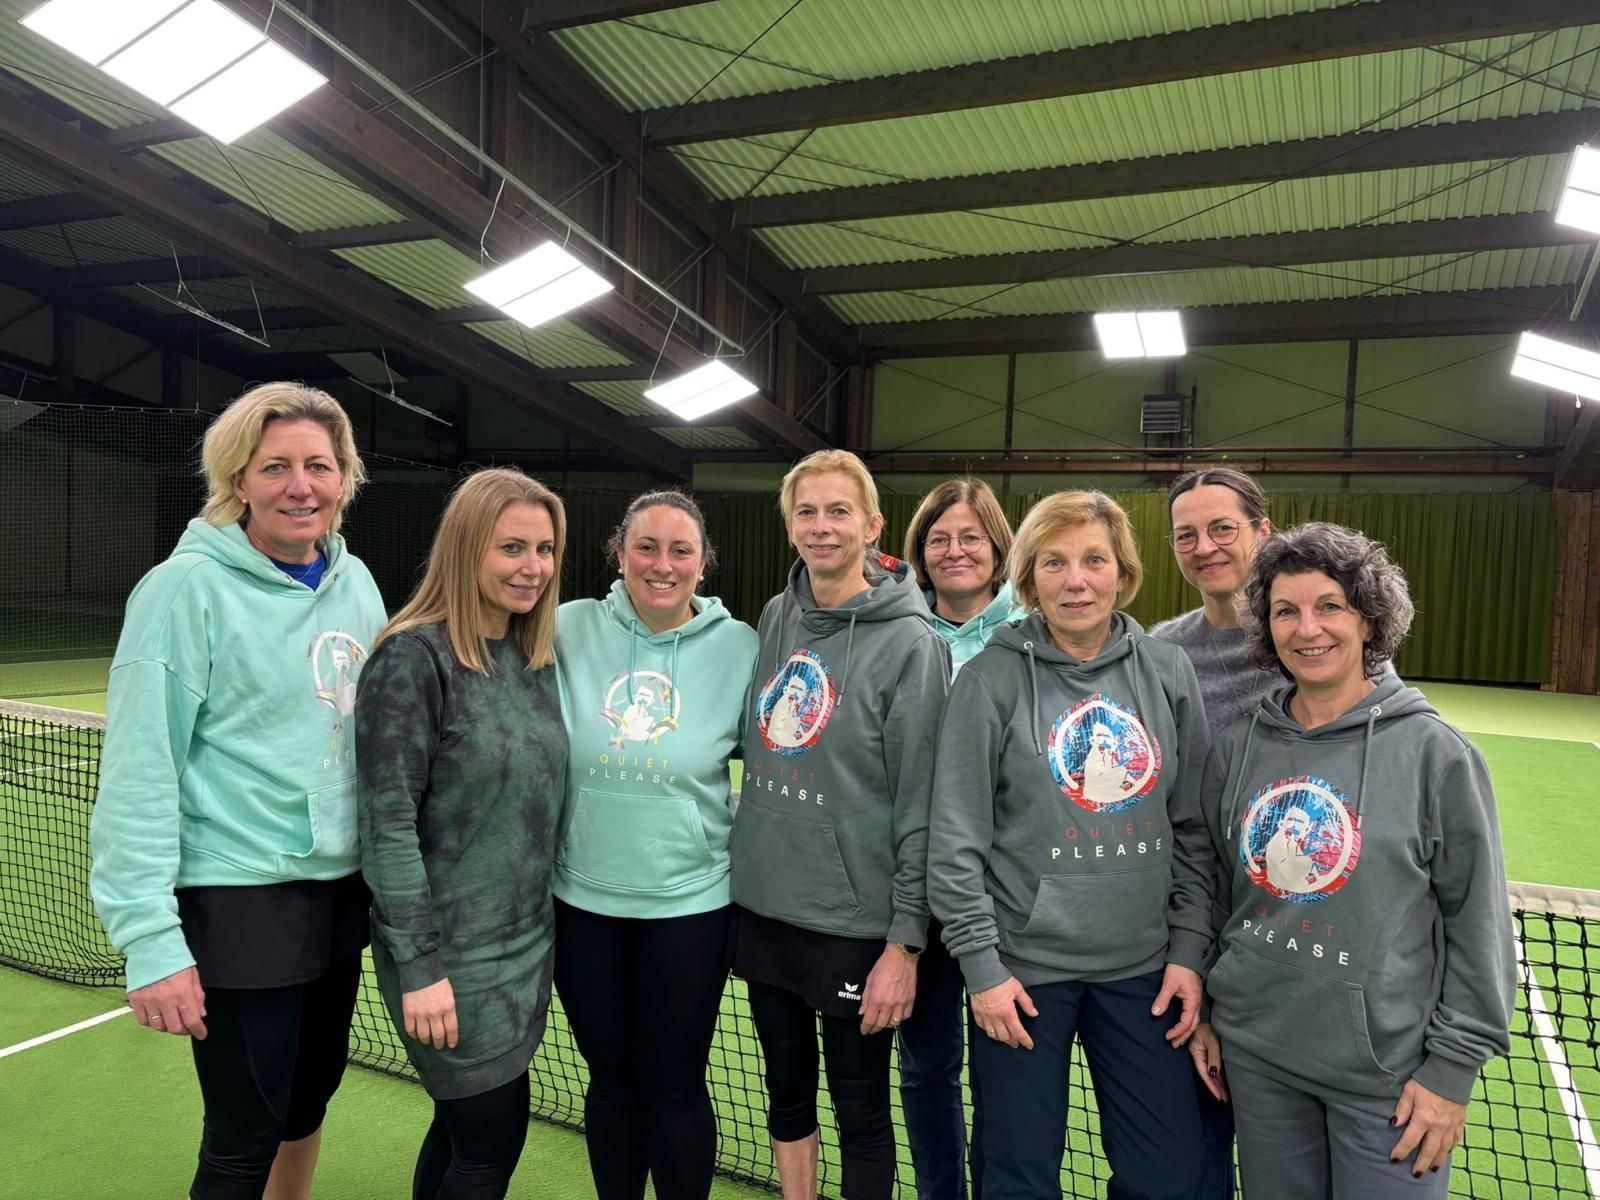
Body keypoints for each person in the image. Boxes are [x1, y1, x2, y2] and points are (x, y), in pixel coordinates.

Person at [89, 382, 386, 1200]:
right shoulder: (182, 590)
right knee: (243, 1133)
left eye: (319, 466)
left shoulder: (356, 584)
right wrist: (151, 941)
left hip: (339, 895)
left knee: (307, 1101)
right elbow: (139, 772)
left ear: (344, 477)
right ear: (238, 480)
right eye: (275, 466)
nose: (301, 486)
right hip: (239, 898)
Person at [1190, 523, 1514, 1200]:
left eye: (1329, 606)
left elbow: (1478, 926)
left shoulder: (1439, 756)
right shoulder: (1237, 748)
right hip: (1258, 1063)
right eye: (1286, 611)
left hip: (1388, 1087)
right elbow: (1218, 892)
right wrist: (1214, 1015)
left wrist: (1451, 1072)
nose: (1307, 629)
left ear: (1369, 620)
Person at [929, 490, 1212, 1200]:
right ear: (1029, 578)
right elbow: (955, 842)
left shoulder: (1168, 671)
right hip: (1022, 981)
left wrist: (1187, 952)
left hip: (1147, 976)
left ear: (1123, 572)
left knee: (1168, 1175)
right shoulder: (988, 679)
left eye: (1094, 560)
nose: (1076, 580)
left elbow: (1193, 830)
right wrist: (984, 973)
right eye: (1054, 563)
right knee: (1017, 1177)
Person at [733, 449, 951, 1200]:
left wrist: (905, 944)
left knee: (861, 1114)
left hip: (856, 925)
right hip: (765, 909)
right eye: (806, 511)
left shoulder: (914, 645)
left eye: (838, 511)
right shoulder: (777, 614)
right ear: (789, 524)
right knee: (785, 1094)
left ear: (872, 525)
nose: (821, 526)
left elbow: (923, 807)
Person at [355, 469, 569, 1200]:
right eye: (512, 547)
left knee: (458, 1133)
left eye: (544, 549)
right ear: (466, 547)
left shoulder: (533, 657)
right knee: (489, 1144)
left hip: (526, 945)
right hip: (451, 957)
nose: (533, 567)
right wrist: (419, 967)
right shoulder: (411, 659)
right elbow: (386, 825)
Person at [552, 490, 757, 1200]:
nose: (662, 565)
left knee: (675, 1085)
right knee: (610, 1081)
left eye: (680, 550)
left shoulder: (741, 647)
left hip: (691, 909)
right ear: (619, 554)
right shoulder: (567, 627)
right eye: (646, 547)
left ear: (703, 563)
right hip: (582, 904)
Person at [1149, 467, 1278, 1199]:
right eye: (1186, 535)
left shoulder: (1311, 643)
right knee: (1194, 1156)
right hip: (1187, 945)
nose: (1205, 547)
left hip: (1281, 959)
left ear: (1263, 530)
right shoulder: (1161, 652)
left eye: (1222, 528)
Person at [899, 478, 1027, 1199]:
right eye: (939, 539)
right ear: (921, 552)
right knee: (926, 1069)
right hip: (919, 900)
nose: (955, 551)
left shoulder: (1033, 633)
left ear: (997, 548)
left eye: (970, 537)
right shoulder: (900, 633)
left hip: (1006, 901)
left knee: (1005, 1073)